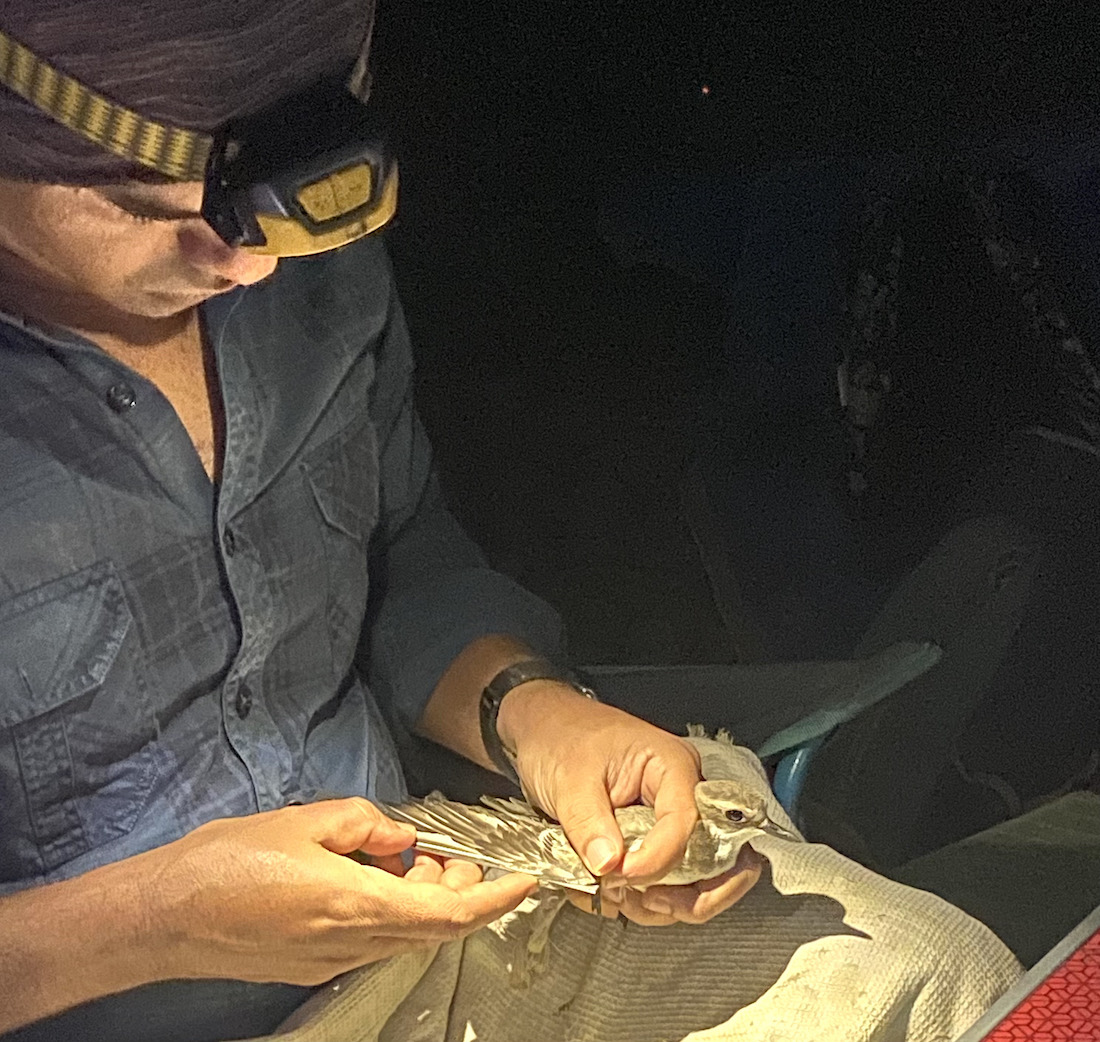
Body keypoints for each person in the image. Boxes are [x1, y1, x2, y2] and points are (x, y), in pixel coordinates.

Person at [0, 3, 1021, 1041]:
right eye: (145, 205)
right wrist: (146, 926)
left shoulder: (300, 272)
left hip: (431, 936)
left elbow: (400, 561)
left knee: (943, 981)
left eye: (279, 215)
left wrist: (532, 713)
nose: (248, 266)